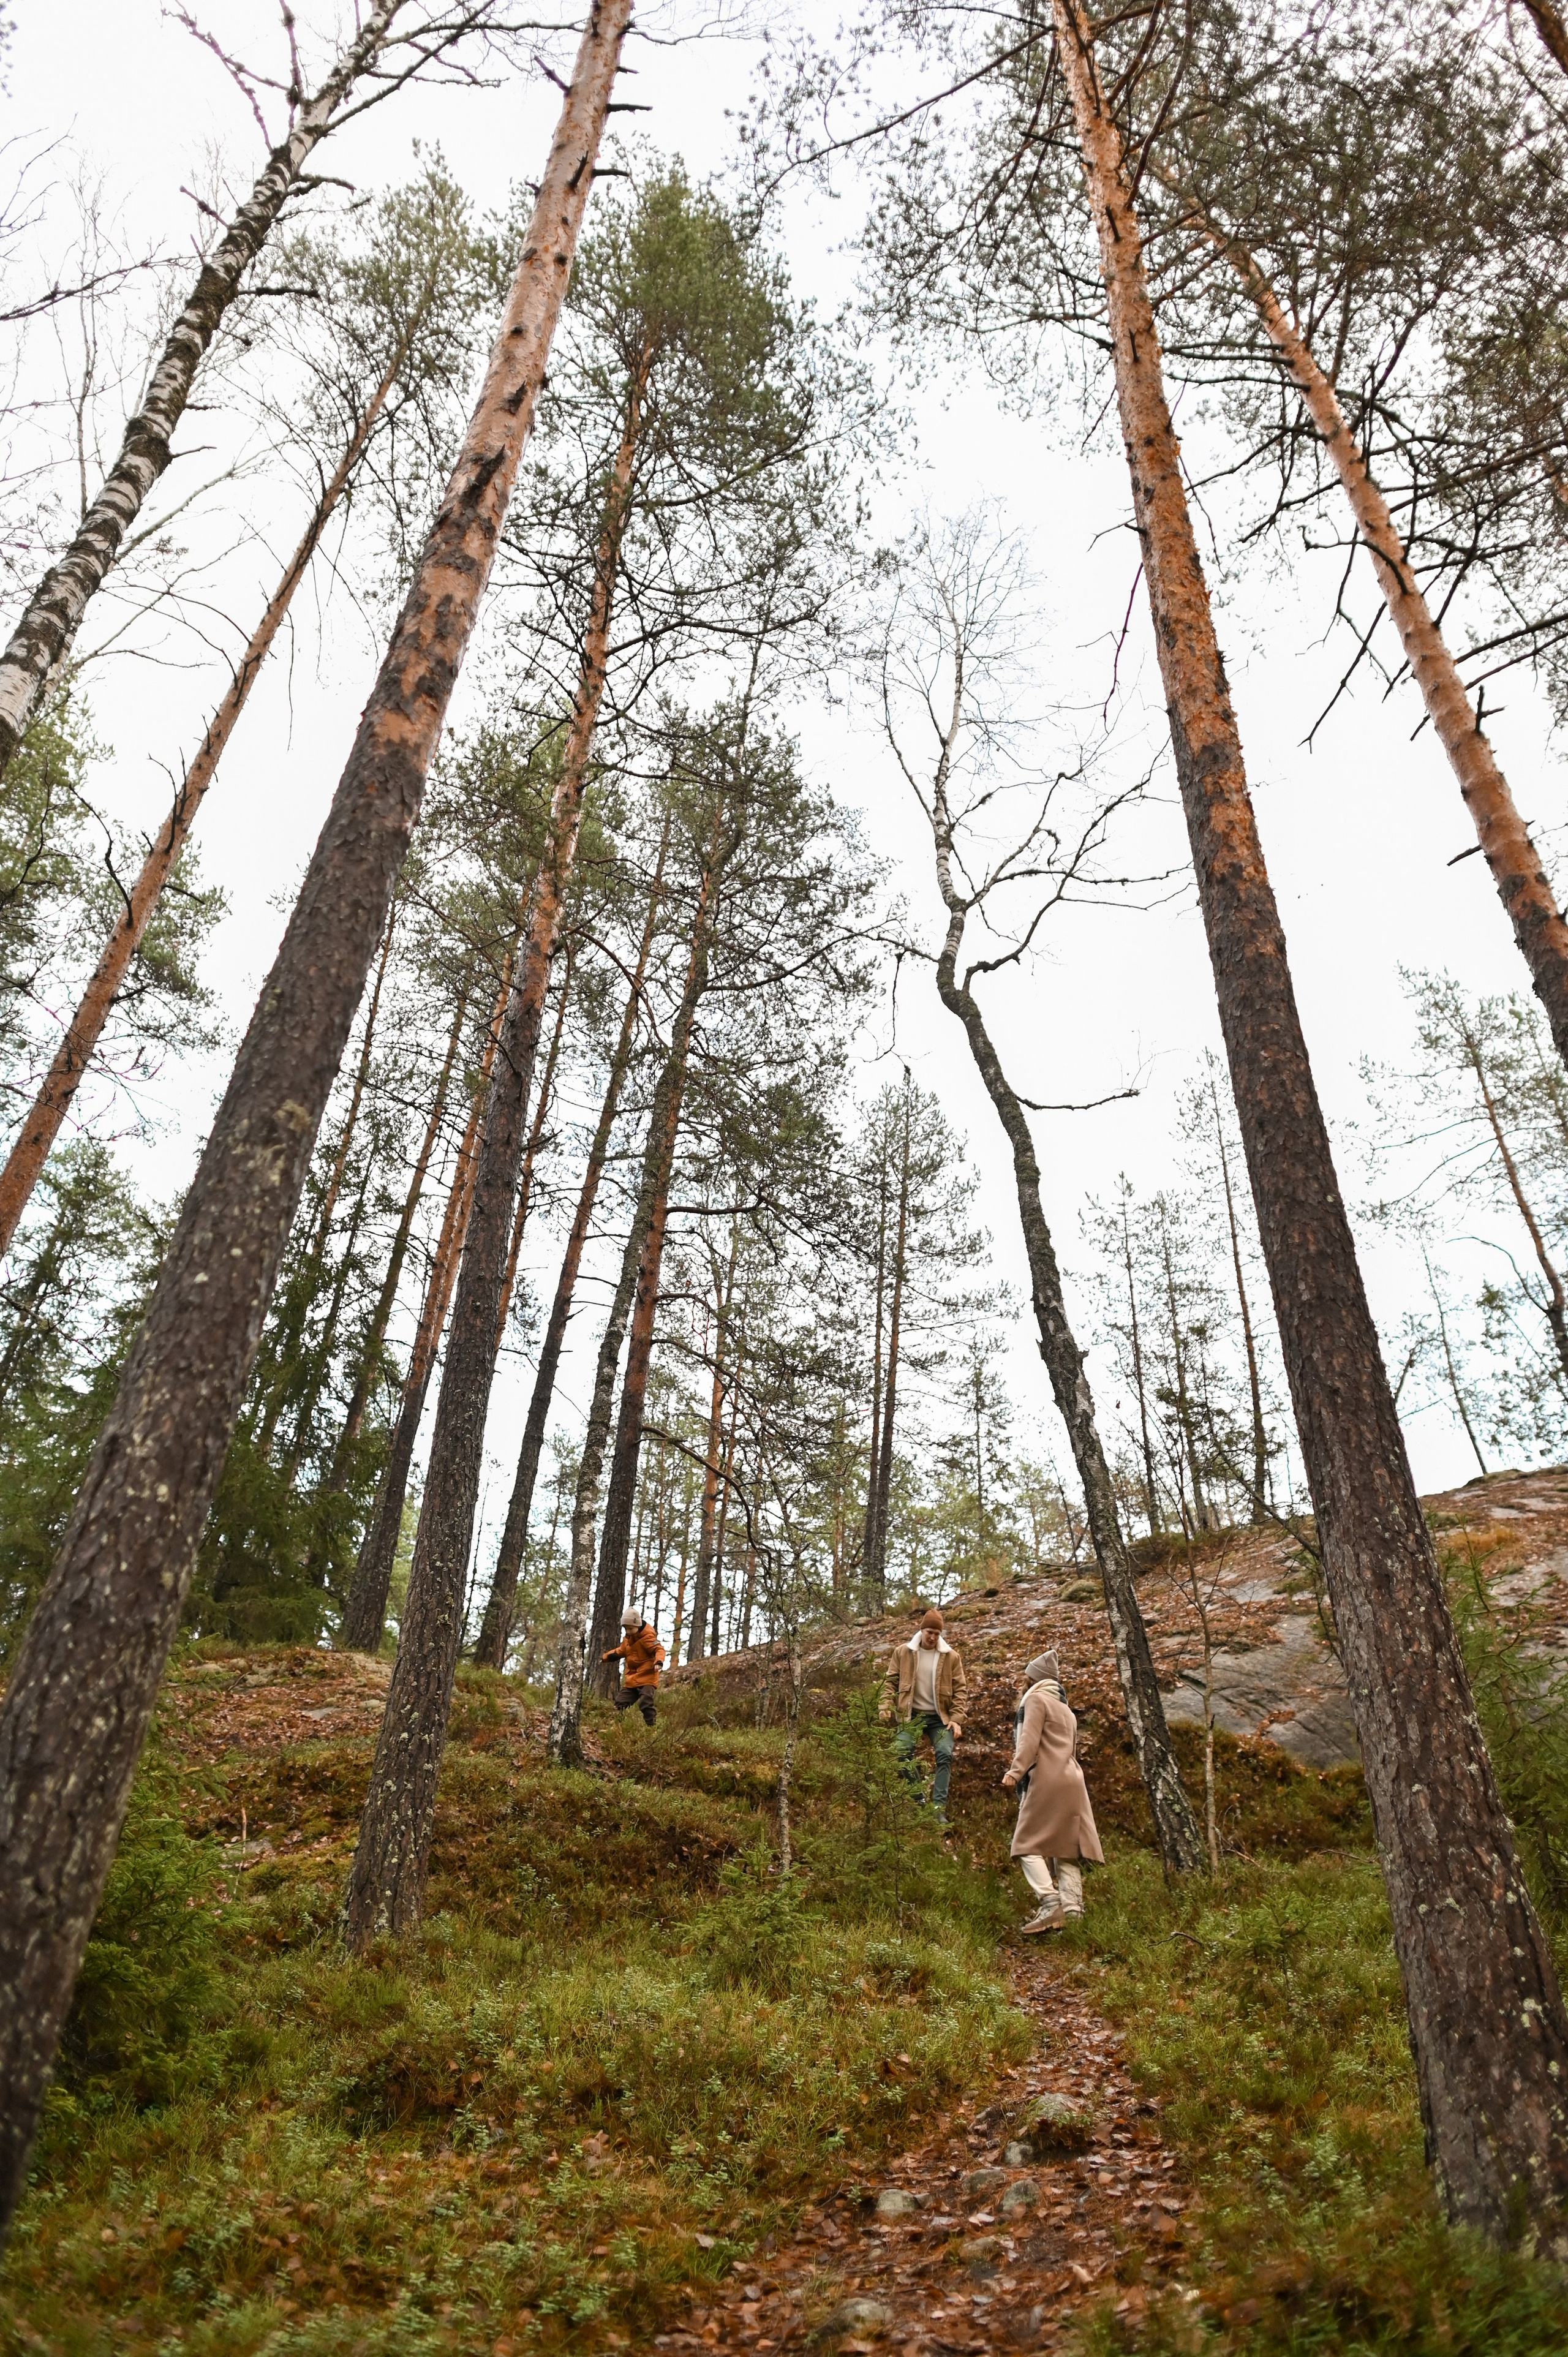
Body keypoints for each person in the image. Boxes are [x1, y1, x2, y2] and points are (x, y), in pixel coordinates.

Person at [1001, 1650, 1102, 1934]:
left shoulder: (1035, 1700)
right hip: (1072, 1781)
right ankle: (1073, 1912)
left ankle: (1049, 1901)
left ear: (1034, 1678)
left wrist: (1015, 1772)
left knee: (1025, 1845)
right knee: (1065, 1849)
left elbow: (1029, 1743)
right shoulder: (1067, 1710)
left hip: (1047, 1779)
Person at [879, 1605, 967, 1818]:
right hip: (912, 1716)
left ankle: (938, 1809)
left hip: (940, 1718)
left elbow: (961, 1689)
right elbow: (890, 1681)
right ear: (922, 1631)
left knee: (945, 1753)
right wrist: (885, 1706)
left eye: (937, 1634)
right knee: (901, 1750)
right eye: (930, 1633)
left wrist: (956, 1719)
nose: (933, 1637)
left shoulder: (951, 1657)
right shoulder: (903, 1652)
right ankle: (919, 1800)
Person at [601, 1606, 665, 1726]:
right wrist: (605, 1657)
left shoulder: (647, 1637)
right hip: (632, 1679)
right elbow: (621, 1651)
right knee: (620, 1703)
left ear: (637, 1625)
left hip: (647, 1678)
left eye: (630, 1628)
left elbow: (659, 1649)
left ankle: (651, 1727)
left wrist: (658, 1662)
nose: (628, 1631)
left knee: (646, 1703)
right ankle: (617, 1727)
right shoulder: (628, 1639)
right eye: (626, 1628)